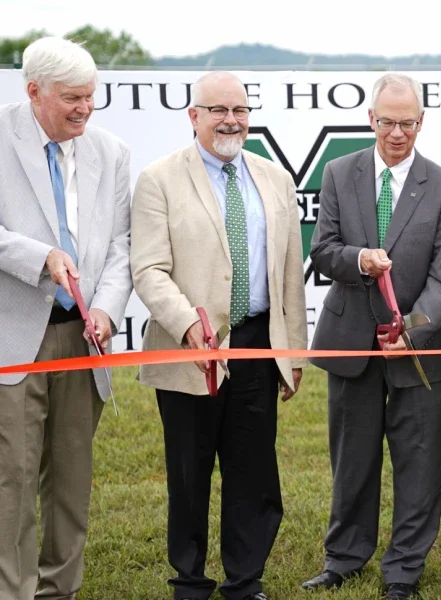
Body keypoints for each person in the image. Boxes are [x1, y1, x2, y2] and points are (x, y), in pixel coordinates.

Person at [130, 71, 308, 600]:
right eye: (218, 110)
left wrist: (293, 352)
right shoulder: (158, 180)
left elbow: (289, 273)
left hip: (257, 345)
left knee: (252, 471)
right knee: (189, 473)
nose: (231, 120)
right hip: (190, 350)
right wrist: (188, 324)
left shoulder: (276, 179)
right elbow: (148, 269)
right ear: (194, 116)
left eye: (240, 110)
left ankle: (244, 581)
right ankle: (189, 581)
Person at [300, 73, 441, 600]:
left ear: (422, 122)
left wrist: (410, 331)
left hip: (419, 351)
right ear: (371, 119)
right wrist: (358, 260)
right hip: (351, 342)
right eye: (388, 122)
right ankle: (344, 557)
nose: (397, 133)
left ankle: (404, 569)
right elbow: (322, 250)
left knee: (419, 462)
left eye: (408, 123)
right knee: (352, 459)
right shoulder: (338, 172)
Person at [0, 36, 132, 600]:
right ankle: (13, 591)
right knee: (12, 479)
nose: (85, 109)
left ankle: (60, 590)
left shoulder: (112, 151)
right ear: (35, 91)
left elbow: (123, 246)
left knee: (72, 477)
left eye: (91, 96)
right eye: (72, 98)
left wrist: (105, 309)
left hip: (84, 338)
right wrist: (41, 258)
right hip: (14, 339)